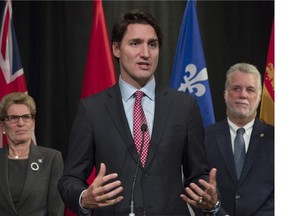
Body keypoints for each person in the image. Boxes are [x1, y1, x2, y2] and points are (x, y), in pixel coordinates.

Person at [58, 9, 220, 216]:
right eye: (135, 43)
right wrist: (84, 197)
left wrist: (210, 200)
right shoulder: (92, 110)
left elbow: (198, 175)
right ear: (116, 49)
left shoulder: (184, 106)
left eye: (152, 44)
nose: (145, 53)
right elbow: (69, 179)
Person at [205, 63, 274, 215]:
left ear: (259, 96)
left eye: (250, 89)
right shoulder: (205, 137)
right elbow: (198, 187)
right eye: (236, 88)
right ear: (225, 93)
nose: (243, 95)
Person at [0, 92, 65, 216]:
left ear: (33, 123)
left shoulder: (52, 159)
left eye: (26, 117)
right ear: (2, 126)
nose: (20, 123)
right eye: (13, 118)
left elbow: (56, 210)